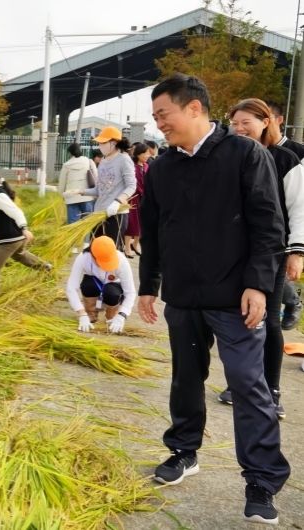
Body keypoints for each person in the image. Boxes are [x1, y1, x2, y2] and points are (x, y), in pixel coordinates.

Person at [139, 73, 289, 524]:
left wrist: (259, 285)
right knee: (186, 378)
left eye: (163, 114)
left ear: (194, 109)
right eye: (155, 117)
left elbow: (269, 225)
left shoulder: (245, 155)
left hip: (234, 298)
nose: (158, 124)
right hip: (184, 297)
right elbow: (154, 229)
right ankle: (184, 451)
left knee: (248, 385)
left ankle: (262, 481)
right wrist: (149, 285)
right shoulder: (163, 167)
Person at [217, 98, 304, 420]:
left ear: (266, 121)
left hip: (271, 250)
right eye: (234, 123)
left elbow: (298, 210)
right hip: (235, 251)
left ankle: (272, 390)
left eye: (246, 122)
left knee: (268, 320)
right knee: (239, 317)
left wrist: (296, 253)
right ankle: (242, 384)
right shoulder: (229, 156)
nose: (239, 129)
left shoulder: (286, 159)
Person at [0, 166, 51, 304]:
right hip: (15, 239)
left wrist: (24, 228)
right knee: (19, 255)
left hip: (9, 239)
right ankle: (46, 267)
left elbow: (16, 212)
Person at [67, 126, 136, 251]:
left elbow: (132, 186)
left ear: (113, 143)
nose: (100, 145)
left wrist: (117, 202)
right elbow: (98, 190)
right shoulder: (103, 161)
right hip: (99, 213)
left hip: (116, 214)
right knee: (95, 251)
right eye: (99, 143)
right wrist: (79, 191)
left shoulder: (124, 159)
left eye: (103, 142)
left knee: (109, 253)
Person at [267, 101, 304, 330]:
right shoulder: (251, 151)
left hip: (292, 226)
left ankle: (292, 302)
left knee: (279, 274)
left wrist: (297, 248)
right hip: (268, 228)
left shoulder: (297, 154)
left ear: (278, 120)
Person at [66, 235, 135, 333]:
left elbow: (131, 292)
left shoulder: (121, 260)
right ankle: (90, 314)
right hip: (93, 284)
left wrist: (122, 315)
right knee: (87, 285)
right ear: (93, 256)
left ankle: (111, 316)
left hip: (112, 286)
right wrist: (81, 313)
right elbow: (71, 288)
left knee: (112, 293)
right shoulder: (83, 258)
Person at [57, 143, 96, 224]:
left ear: (70, 153)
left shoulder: (66, 165)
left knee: (73, 225)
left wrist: (62, 195)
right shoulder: (88, 161)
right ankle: (87, 237)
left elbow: (62, 184)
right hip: (87, 197)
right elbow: (96, 177)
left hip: (71, 198)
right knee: (88, 224)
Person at [124, 143, 149, 258]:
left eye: (148, 153)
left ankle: (135, 243)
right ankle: (127, 247)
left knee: (142, 223)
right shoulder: (133, 167)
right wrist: (143, 193)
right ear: (138, 154)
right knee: (132, 223)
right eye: (145, 153)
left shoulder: (146, 166)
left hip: (144, 198)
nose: (147, 155)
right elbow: (135, 184)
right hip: (134, 198)